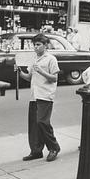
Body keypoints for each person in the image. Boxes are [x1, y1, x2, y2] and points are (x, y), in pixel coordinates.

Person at [16, 33, 61, 162]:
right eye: (34, 45)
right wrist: (19, 72)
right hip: (34, 95)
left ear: (45, 45)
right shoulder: (34, 59)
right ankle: (36, 151)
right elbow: (29, 77)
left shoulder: (51, 59)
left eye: (38, 44)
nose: (35, 47)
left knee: (42, 122)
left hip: (45, 95)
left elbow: (54, 78)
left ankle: (54, 147)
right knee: (34, 124)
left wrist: (41, 71)